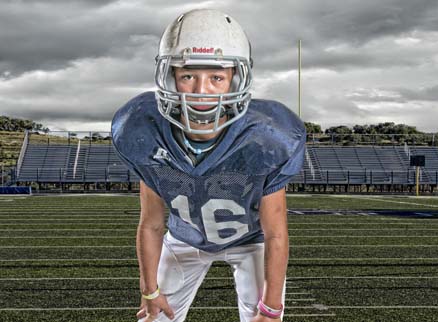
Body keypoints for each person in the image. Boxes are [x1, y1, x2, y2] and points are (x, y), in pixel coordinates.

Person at [111, 9, 306, 322]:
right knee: (154, 319)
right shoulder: (143, 129)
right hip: (184, 238)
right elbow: (151, 223)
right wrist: (149, 290)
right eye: (188, 75)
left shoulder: (267, 138)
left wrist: (270, 309)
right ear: (170, 76)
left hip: (248, 240)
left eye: (216, 77)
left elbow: (275, 233)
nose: (201, 90)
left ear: (235, 79)